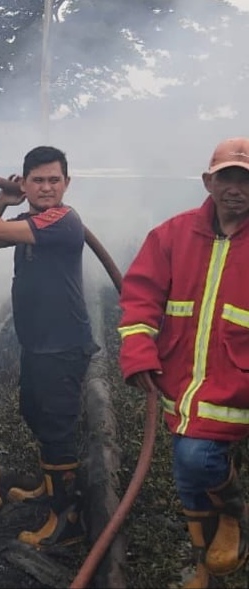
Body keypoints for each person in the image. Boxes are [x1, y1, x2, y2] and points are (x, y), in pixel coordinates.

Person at [118, 137, 249, 588]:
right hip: (182, 378)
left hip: (238, 384)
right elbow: (140, 298)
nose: (236, 187)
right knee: (188, 469)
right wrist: (138, 354)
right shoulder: (171, 235)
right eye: (227, 177)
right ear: (208, 182)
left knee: (195, 458)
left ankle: (232, 512)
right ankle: (206, 563)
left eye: (245, 179)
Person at [0, 146, 96, 548]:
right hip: (39, 342)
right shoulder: (32, 218)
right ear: (26, 182)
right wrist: (0, 198)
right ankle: (50, 488)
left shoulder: (64, 221)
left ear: (67, 183)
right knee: (35, 414)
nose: (47, 187)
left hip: (62, 345)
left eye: (54, 180)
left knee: (57, 427)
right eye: (38, 180)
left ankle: (67, 521)